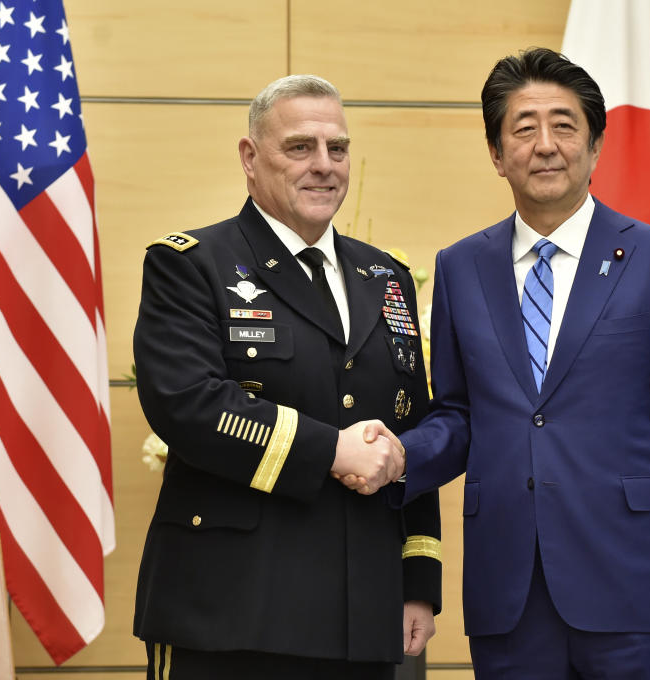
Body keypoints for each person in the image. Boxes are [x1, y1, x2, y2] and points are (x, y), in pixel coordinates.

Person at [370, 47, 650, 678]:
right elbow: (458, 412)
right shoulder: (460, 267)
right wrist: (401, 457)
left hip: (634, 582)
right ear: (495, 152)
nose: (545, 145)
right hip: (509, 587)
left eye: (564, 126)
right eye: (524, 127)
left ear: (594, 148)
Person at [132, 74, 441, 680]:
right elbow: (187, 404)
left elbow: (410, 432)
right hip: (232, 611)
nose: (324, 166)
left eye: (338, 148)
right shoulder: (191, 264)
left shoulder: (387, 277)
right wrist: (331, 449)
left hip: (362, 612)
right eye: (300, 147)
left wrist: (418, 581)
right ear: (250, 158)